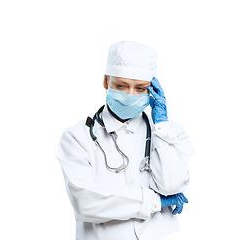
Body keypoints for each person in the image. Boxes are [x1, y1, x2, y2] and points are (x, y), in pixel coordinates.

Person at [56, 41, 195, 240]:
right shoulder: (77, 137)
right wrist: (154, 201)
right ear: (106, 82)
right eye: (121, 86)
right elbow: (85, 201)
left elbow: (172, 185)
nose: (130, 95)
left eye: (140, 88)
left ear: (151, 90)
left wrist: (161, 125)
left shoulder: (168, 133)